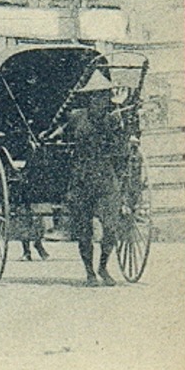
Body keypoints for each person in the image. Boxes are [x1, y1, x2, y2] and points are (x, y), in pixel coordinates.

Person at [56, 74, 131, 287]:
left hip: (106, 178)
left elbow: (121, 150)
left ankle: (103, 266)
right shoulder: (76, 117)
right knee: (84, 230)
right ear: (90, 98)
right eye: (97, 96)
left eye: (105, 96)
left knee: (111, 227)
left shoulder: (113, 119)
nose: (102, 100)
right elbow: (63, 142)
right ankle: (89, 272)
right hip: (81, 178)